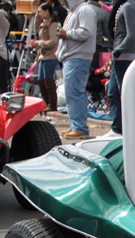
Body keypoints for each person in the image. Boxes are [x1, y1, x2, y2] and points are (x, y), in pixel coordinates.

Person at [56, 0, 96, 139]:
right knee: (72, 92)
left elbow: (87, 32)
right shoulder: (75, 10)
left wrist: (66, 34)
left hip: (78, 57)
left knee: (74, 91)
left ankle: (79, 127)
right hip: (72, 57)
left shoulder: (85, 10)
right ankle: (76, 125)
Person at [105, 0, 135, 136]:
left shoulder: (128, 6)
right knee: (113, 92)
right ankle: (117, 128)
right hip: (121, 56)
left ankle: (126, 130)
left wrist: (118, 51)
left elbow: (132, 34)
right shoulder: (127, 5)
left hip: (124, 56)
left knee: (124, 94)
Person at [31, 3, 59, 113]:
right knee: (41, 81)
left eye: (40, 11)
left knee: (48, 81)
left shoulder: (52, 24)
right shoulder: (44, 23)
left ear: (47, 11)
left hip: (50, 55)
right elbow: (36, 27)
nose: (39, 14)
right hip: (43, 56)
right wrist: (37, 16)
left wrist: (38, 43)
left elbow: (53, 41)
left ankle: (52, 104)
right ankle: (46, 103)